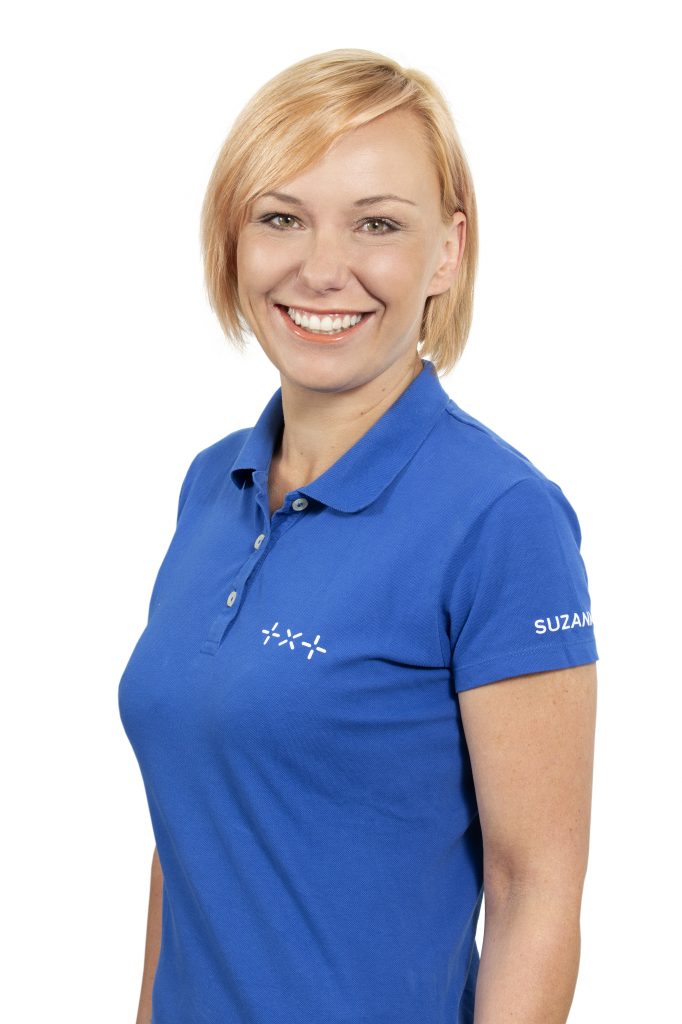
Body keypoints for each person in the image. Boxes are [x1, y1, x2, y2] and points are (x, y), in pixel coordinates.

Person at [118, 48, 599, 1024]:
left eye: (376, 223)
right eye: (280, 217)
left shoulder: (501, 516)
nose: (321, 267)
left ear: (447, 252)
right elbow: (190, 837)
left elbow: (533, 891)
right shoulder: (211, 487)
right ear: (233, 239)